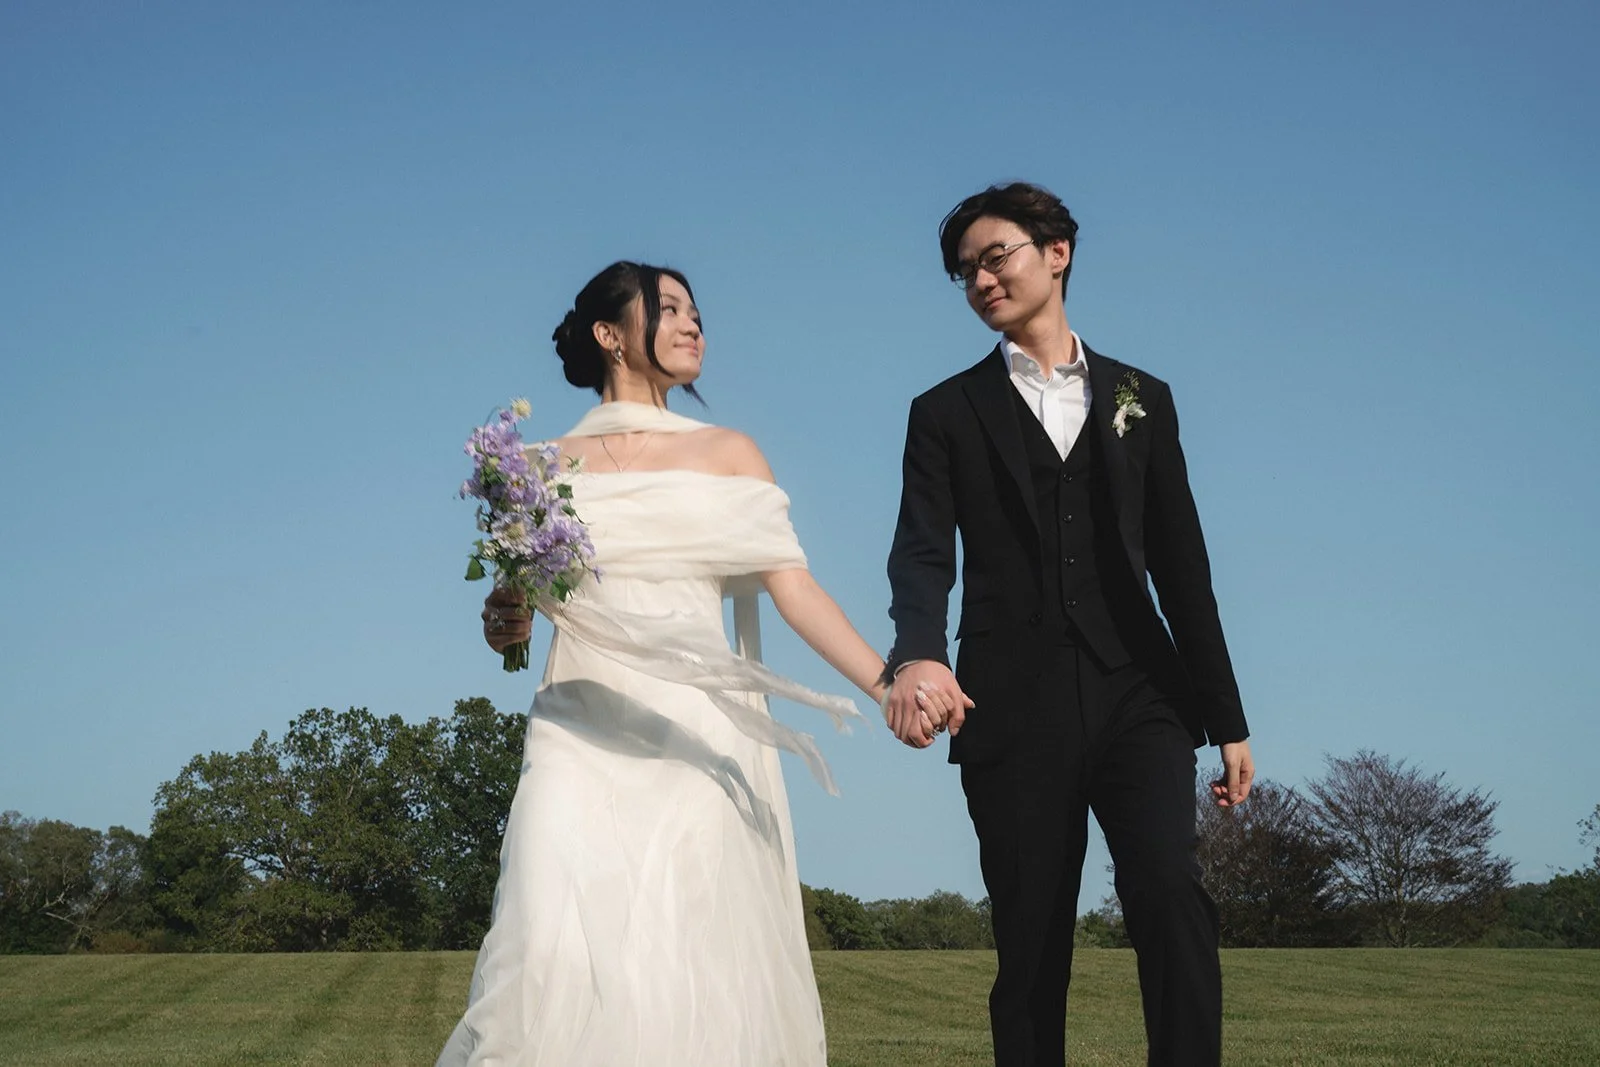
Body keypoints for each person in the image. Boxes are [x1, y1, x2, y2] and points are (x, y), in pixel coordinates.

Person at [436, 260, 945, 1066]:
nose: (693, 323)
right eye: (668, 308)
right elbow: (514, 615)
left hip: (695, 733)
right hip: (577, 725)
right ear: (611, 335)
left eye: (696, 311)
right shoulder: (536, 467)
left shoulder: (731, 452)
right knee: (548, 943)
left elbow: (795, 587)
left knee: (684, 952)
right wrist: (507, 621)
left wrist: (886, 684)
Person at [880, 183, 1256, 1067]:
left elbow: (1184, 567)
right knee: (1032, 934)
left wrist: (1228, 718)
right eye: (965, 270)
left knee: (1169, 893)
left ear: (1058, 252)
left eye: (995, 255)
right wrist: (917, 655)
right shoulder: (944, 412)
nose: (980, 278)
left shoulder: (1142, 398)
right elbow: (923, 553)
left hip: (1141, 694)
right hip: (1010, 702)